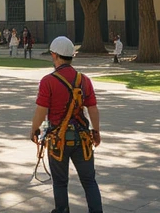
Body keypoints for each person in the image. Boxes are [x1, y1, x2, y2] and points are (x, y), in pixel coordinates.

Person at [32, 36, 102, 213]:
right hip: (83, 139)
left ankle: (62, 210)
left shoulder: (48, 81)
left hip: (58, 141)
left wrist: (34, 130)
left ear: (55, 55)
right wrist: (96, 131)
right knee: (89, 181)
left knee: (60, 182)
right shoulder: (84, 80)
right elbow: (93, 109)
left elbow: (41, 111)